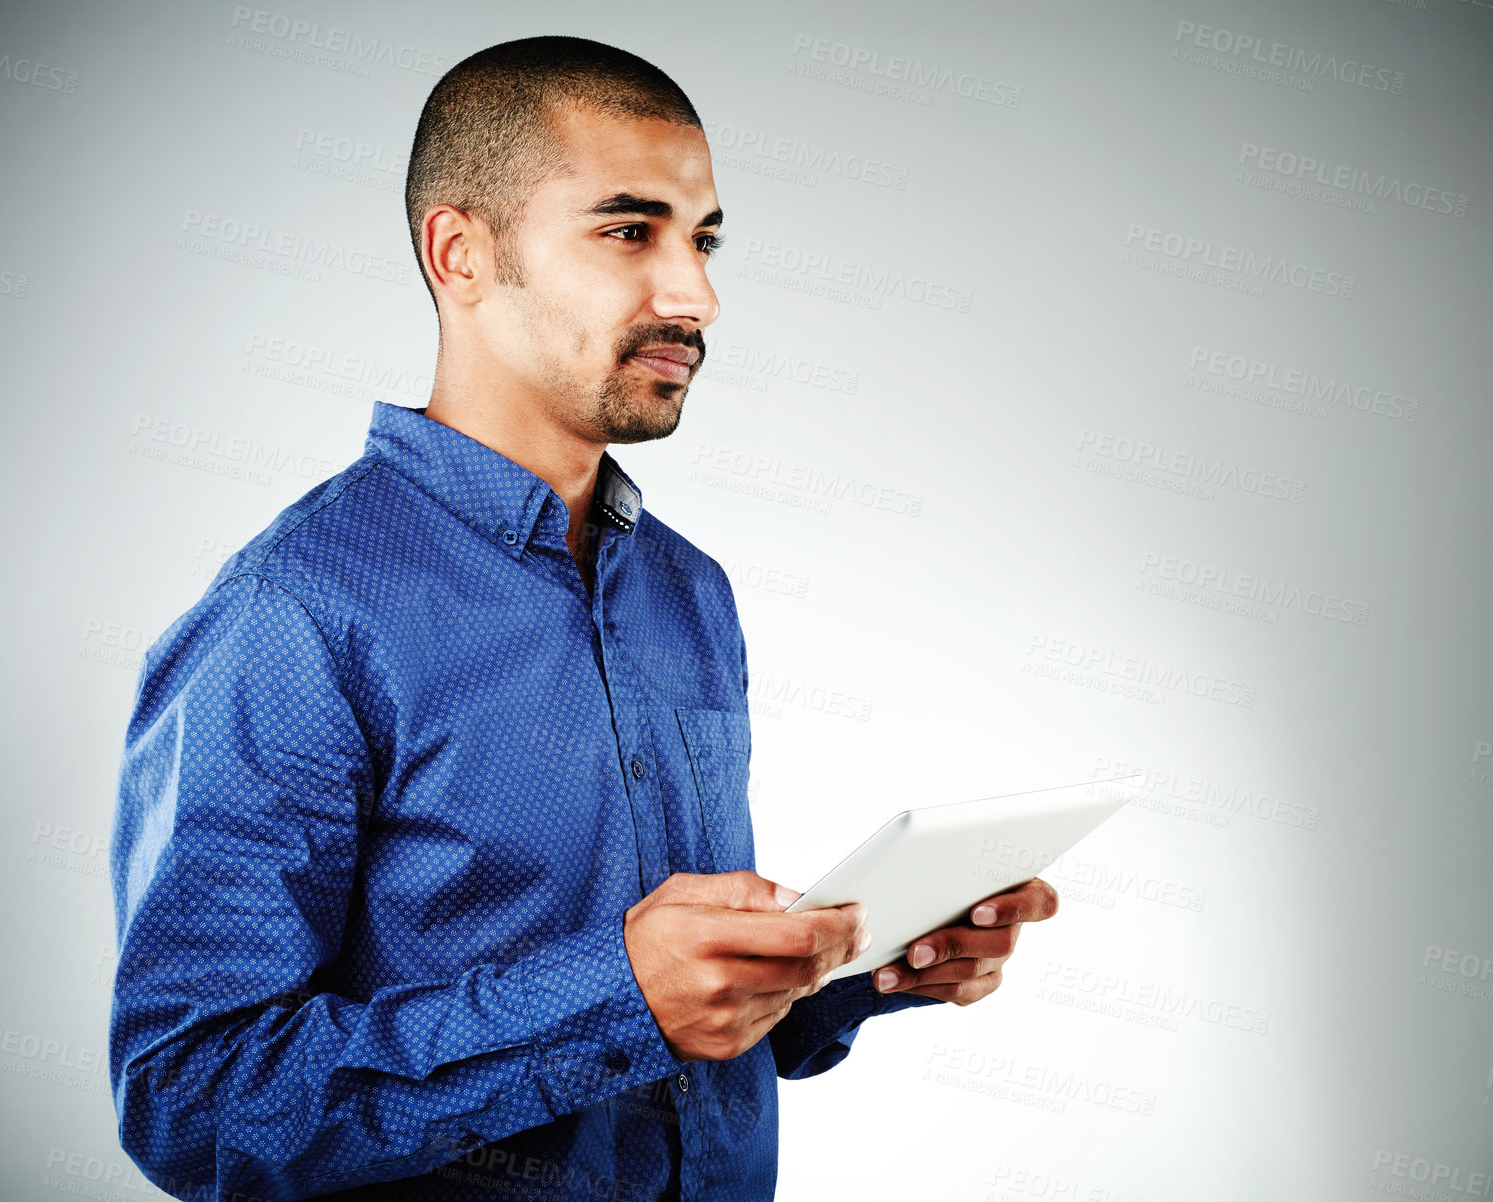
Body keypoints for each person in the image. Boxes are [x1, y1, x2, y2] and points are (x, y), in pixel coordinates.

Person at [107, 34, 1058, 1202]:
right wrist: (619, 993)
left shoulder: (687, 590)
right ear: (460, 252)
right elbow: (194, 1101)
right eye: (628, 229)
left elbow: (688, 1033)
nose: (695, 293)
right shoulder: (293, 613)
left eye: (703, 238)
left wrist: (859, 966)